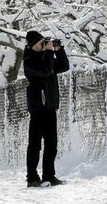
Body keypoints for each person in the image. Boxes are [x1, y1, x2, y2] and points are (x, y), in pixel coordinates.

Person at [23, 30, 70, 187]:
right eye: (41, 43)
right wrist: (49, 52)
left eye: (45, 42)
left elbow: (63, 66)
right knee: (35, 145)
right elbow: (46, 70)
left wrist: (59, 50)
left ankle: (49, 176)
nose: (44, 45)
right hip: (38, 108)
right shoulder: (29, 60)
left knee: (52, 144)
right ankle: (32, 178)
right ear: (32, 45)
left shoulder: (46, 57)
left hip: (50, 107)